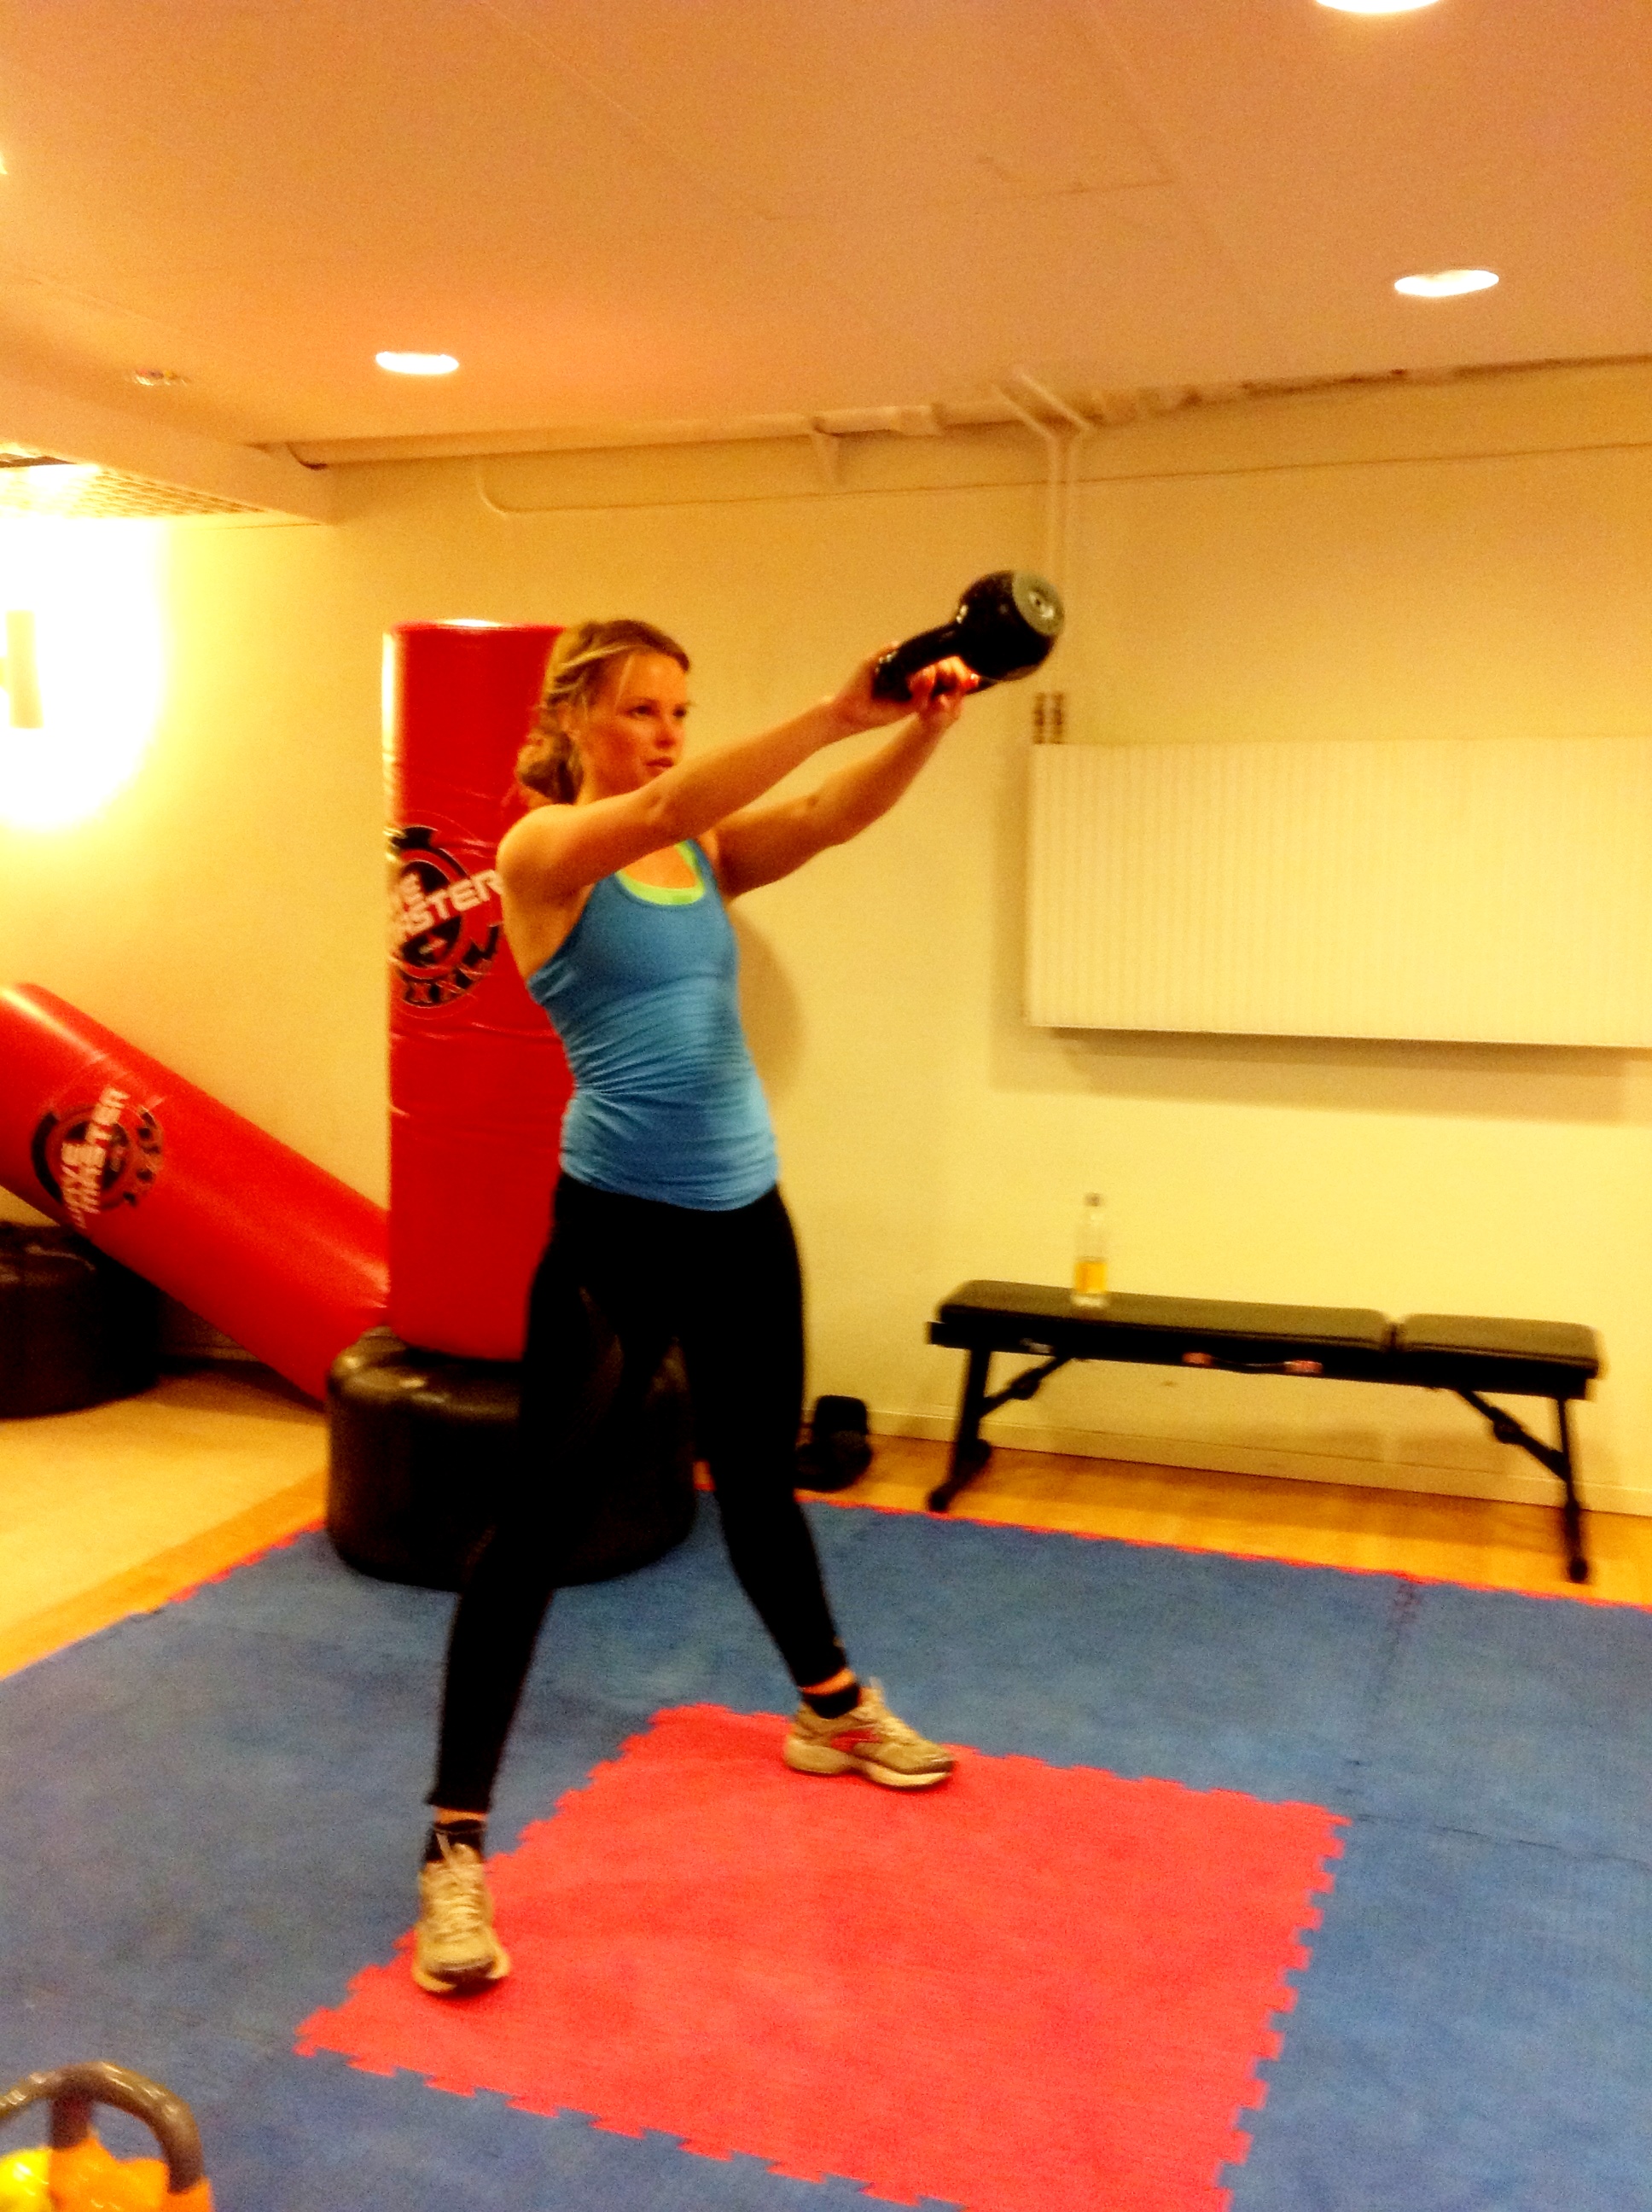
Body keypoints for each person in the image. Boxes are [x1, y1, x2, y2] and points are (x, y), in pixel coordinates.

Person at [413, 616, 975, 1996]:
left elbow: (829, 820)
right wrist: (834, 709)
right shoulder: (541, 853)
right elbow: (661, 809)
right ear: (574, 720)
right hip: (619, 1235)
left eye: (682, 709)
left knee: (761, 1479)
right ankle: (454, 1843)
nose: (668, 734)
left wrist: (919, 730)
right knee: (535, 1529)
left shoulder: (703, 852)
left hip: (745, 1218)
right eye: (642, 709)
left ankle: (829, 1708)